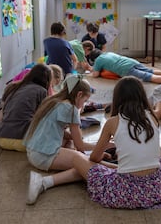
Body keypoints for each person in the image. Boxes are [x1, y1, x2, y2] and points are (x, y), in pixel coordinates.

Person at [28, 76, 161, 209]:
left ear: (117, 98)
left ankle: (43, 182)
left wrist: (103, 156)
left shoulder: (112, 122)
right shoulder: (152, 116)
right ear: (142, 95)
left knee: (82, 160)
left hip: (125, 193)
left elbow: (92, 158)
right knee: (158, 148)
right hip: (155, 189)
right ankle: (44, 182)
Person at [25, 74, 105, 205]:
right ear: (79, 95)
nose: (84, 105)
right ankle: (43, 182)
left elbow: (61, 133)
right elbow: (81, 145)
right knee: (86, 167)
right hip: (42, 155)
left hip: (33, 152)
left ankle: (70, 162)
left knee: (74, 148)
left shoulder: (53, 100)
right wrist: (104, 146)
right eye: (85, 101)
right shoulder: (70, 108)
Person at [0, 64, 52, 152]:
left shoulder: (14, 87)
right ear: (47, 80)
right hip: (24, 142)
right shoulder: (42, 91)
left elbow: (2, 113)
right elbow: (45, 116)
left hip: (2, 139)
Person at [88, 49, 161, 84]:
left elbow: (95, 74)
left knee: (149, 77)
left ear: (94, 59)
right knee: (150, 71)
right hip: (131, 61)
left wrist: (90, 72)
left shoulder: (98, 60)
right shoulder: (108, 53)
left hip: (125, 69)